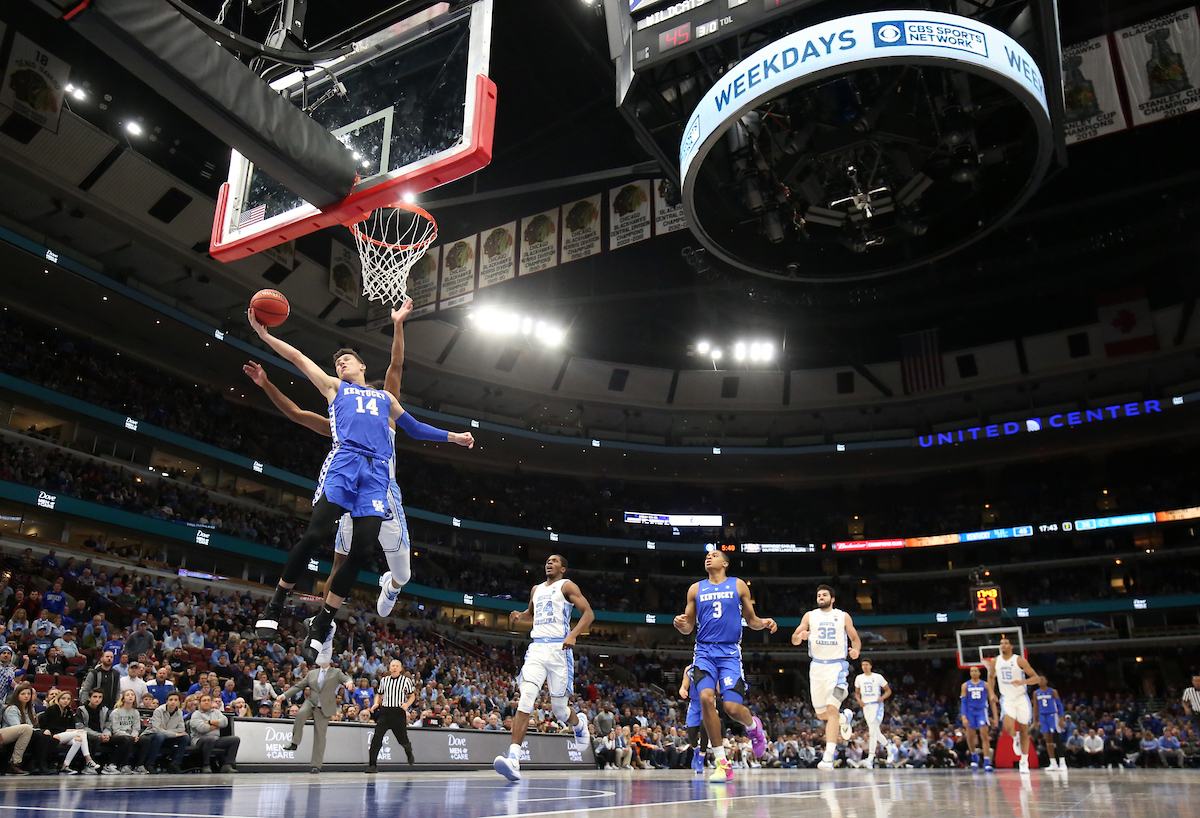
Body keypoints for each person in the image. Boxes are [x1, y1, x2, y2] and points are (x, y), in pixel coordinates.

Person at [248, 306, 473, 662]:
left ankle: (326, 620)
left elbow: (414, 424)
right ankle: (276, 604)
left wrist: (453, 437)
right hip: (346, 464)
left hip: (379, 477)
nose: (340, 363)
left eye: (347, 359)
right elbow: (298, 361)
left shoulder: (386, 400)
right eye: (337, 362)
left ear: (363, 366)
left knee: (366, 553)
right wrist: (265, 337)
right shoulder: (335, 389)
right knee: (316, 535)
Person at [673, 549, 776, 783]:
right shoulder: (695, 589)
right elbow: (688, 627)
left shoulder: (738, 585)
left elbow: (751, 620)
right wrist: (680, 624)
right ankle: (722, 763)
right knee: (706, 698)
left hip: (729, 653)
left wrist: (764, 623)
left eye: (715, 555)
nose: (709, 557)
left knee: (731, 708)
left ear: (726, 563)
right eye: (707, 556)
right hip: (704, 653)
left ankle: (754, 727)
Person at [494, 555, 596, 782]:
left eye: (555, 561)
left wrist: (573, 634)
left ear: (563, 568)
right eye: (548, 560)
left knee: (560, 711)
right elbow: (531, 615)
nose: (549, 563)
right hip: (537, 648)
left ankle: (579, 723)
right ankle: (513, 759)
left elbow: (589, 613)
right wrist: (520, 616)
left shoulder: (567, 586)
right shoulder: (536, 589)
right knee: (525, 699)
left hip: (560, 649)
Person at [792, 584, 861, 771]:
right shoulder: (810, 616)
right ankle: (844, 719)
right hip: (816, 668)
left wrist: (856, 650)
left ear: (832, 599)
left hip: (837, 668)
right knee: (822, 715)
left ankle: (828, 757)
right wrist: (800, 636)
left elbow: (855, 638)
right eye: (818, 595)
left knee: (831, 710)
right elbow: (794, 638)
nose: (821, 597)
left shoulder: (843, 616)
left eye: (824, 595)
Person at [277, 654, 350, 773]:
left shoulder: (336, 672)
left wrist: (349, 683)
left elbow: (346, 679)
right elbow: (298, 686)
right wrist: (284, 696)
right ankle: (295, 742)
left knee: (320, 736)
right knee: (300, 713)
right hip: (311, 701)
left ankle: (316, 765)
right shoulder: (312, 673)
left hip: (325, 706)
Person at [986, 635, 1041, 772]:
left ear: (1011, 646)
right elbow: (991, 677)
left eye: (1005, 643)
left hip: (1021, 698)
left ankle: (1024, 761)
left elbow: (1036, 678)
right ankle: (1015, 738)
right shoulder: (995, 661)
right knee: (1009, 727)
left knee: (1024, 731)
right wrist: (992, 693)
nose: (1003, 645)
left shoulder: (1019, 660)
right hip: (1007, 698)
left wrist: (1022, 682)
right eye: (1001, 643)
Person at [367, 659, 416, 772]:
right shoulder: (384, 680)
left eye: (396, 666)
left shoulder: (406, 681)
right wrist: (375, 704)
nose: (394, 668)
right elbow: (379, 694)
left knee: (402, 739)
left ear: (400, 669)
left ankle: (408, 750)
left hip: (398, 712)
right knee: (376, 738)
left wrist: (407, 705)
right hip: (385, 712)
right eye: (392, 666)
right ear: (389, 668)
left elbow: (412, 696)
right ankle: (372, 765)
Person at [40, 690, 101, 774]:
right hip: (54, 735)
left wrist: (69, 731)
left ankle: (65, 765)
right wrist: (65, 730)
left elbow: (71, 727)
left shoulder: (69, 711)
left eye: (68, 699)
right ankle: (88, 759)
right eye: (63, 698)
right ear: (58, 699)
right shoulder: (52, 709)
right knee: (82, 732)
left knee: (78, 740)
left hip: (65, 736)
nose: (66, 701)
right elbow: (49, 726)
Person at [76, 688, 131, 774]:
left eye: (100, 697)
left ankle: (110, 764)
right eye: (95, 697)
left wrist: (106, 734)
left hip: (102, 735)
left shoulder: (104, 710)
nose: (97, 699)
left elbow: (108, 725)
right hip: (88, 735)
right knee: (95, 739)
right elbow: (81, 727)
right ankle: (88, 765)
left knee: (124, 739)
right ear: (89, 698)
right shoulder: (81, 710)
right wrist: (99, 735)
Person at [138, 691, 190, 774]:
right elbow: (157, 729)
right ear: (167, 701)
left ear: (179, 702)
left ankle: (175, 763)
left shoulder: (179, 712)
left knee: (185, 737)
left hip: (166, 737)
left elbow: (181, 729)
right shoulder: (159, 711)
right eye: (171, 700)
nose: (173, 702)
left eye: (175, 700)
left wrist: (167, 732)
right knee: (160, 735)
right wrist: (174, 733)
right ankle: (150, 763)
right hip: (151, 735)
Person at [187, 694, 239, 773]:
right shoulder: (196, 714)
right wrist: (217, 725)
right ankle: (206, 765)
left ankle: (227, 765)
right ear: (199, 703)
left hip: (215, 739)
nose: (207, 702)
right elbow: (202, 728)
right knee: (209, 739)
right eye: (204, 701)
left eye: (208, 700)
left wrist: (209, 722)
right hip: (199, 740)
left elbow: (225, 722)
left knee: (234, 739)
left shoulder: (216, 712)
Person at [959, 664, 997, 771]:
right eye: (972, 671)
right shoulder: (965, 685)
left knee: (984, 735)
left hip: (982, 711)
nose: (974, 673)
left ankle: (986, 761)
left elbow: (992, 698)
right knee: (970, 736)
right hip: (970, 711)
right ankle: (973, 755)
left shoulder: (985, 684)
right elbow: (963, 702)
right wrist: (964, 717)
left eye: (976, 671)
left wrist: (994, 716)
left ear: (979, 673)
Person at [854, 658, 891, 768]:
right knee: (876, 732)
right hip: (866, 706)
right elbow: (857, 693)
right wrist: (859, 701)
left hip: (876, 705)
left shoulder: (878, 677)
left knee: (872, 731)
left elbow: (888, 690)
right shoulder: (859, 678)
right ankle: (890, 748)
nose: (865, 667)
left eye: (866, 664)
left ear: (871, 666)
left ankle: (870, 757)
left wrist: (882, 697)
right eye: (863, 665)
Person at [1033, 676, 1066, 770]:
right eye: (1039, 679)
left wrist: (1061, 718)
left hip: (1052, 715)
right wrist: (1035, 721)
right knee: (1048, 740)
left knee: (1056, 737)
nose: (1040, 680)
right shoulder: (1036, 693)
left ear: (1047, 681)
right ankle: (1053, 763)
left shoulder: (1052, 691)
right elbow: (1035, 707)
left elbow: (1059, 705)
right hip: (1042, 716)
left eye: (1042, 679)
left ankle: (1062, 762)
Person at [109, 689, 144, 774]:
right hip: (117, 735)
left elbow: (136, 728)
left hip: (130, 736)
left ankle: (139, 765)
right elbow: (116, 729)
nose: (130, 696)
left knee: (146, 740)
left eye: (132, 695)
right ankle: (122, 765)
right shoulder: (116, 712)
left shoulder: (135, 712)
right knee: (128, 739)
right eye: (128, 695)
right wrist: (130, 736)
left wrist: (135, 735)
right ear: (123, 698)